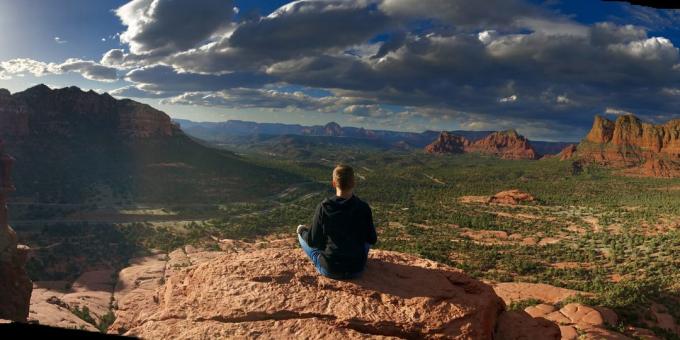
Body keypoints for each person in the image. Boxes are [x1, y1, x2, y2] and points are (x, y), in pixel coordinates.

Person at [297, 164, 377, 279]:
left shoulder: (324, 207)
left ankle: (301, 231)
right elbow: (372, 239)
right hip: (356, 269)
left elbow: (313, 242)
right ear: (353, 183)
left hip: (330, 269)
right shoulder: (363, 207)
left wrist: (303, 231)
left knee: (302, 235)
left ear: (334, 183)